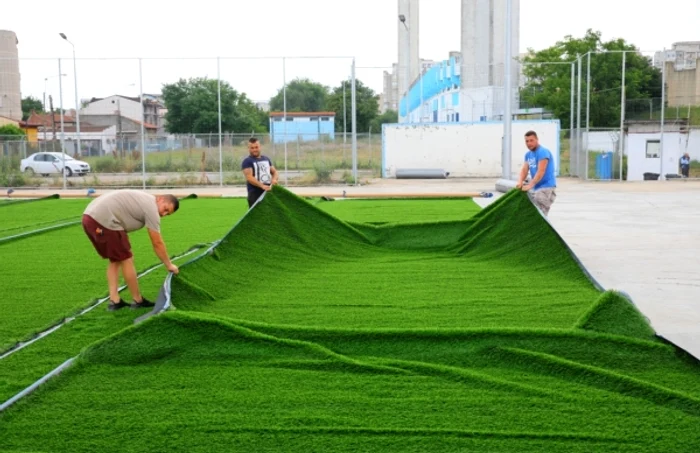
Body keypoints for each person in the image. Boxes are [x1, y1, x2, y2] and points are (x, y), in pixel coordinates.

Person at [82, 190, 180, 311]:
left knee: (116, 260)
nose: (164, 214)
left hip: (89, 221)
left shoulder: (146, 200)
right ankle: (137, 300)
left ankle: (115, 300)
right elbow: (157, 243)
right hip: (104, 223)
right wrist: (169, 264)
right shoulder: (151, 208)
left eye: (167, 214)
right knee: (127, 259)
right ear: (160, 199)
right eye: (165, 209)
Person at [515, 130, 557, 216]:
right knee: (531, 210)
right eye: (527, 141)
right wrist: (520, 181)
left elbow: (541, 171)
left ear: (537, 139)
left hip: (546, 187)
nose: (529, 143)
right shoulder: (528, 154)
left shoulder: (543, 152)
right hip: (536, 187)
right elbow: (524, 170)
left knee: (540, 213)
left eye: (531, 140)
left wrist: (530, 185)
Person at [241, 137, 279, 208]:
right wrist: (262, 186)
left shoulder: (266, 159)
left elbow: (274, 172)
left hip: (268, 192)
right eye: (252, 148)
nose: (254, 149)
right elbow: (249, 177)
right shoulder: (247, 161)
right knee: (257, 217)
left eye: (256, 147)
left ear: (260, 147)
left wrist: (274, 180)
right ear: (248, 148)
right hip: (255, 193)